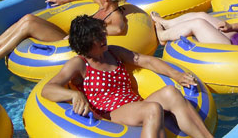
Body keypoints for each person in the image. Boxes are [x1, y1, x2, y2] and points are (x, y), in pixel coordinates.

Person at [41, 15, 213, 138]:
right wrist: (74, 94)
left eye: (102, 33)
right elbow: (48, 89)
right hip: (111, 114)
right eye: (97, 37)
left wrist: (176, 74)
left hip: (136, 105)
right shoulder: (79, 64)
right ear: (85, 44)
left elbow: (146, 61)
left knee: (171, 92)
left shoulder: (114, 52)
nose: (104, 38)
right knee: (152, 109)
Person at [0, 0, 127, 73]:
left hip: (71, 43)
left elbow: (120, 29)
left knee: (28, 26)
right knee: (28, 18)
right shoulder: (102, 4)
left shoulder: (115, 16)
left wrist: (88, 32)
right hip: (67, 36)